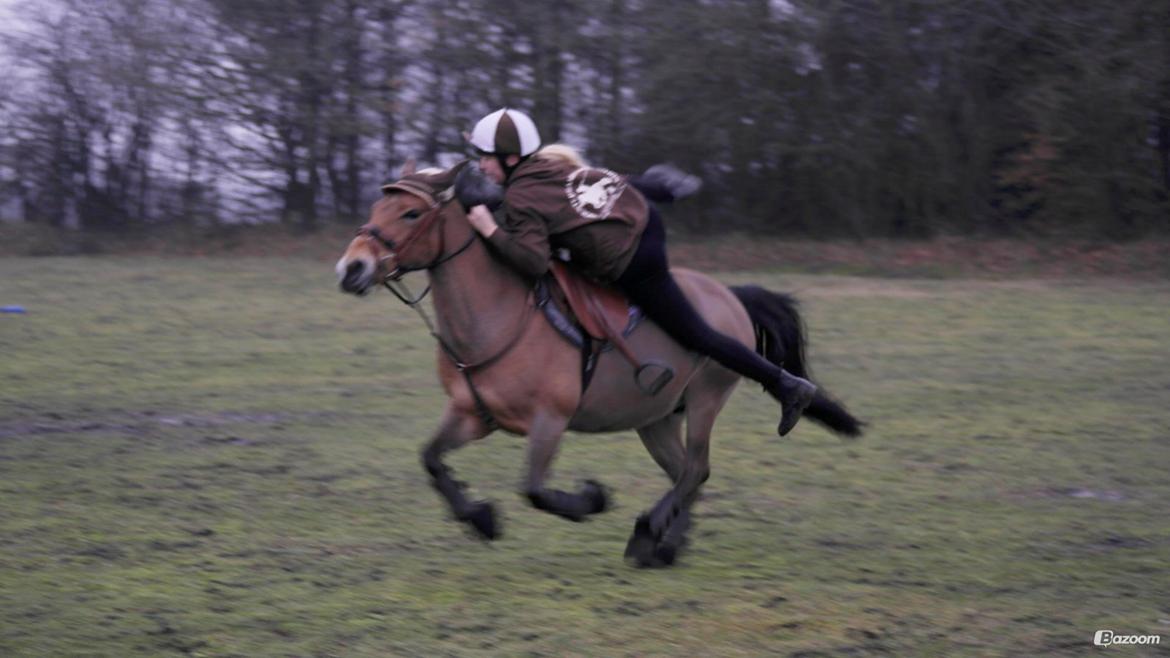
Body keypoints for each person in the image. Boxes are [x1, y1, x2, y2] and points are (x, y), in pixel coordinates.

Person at [462, 107, 816, 436]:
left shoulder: (523, 195)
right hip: (641, 221)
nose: (481, 166)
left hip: (636, 258)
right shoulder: (544, 166)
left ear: (510, 159)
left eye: (486, 157)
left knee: (696, 334)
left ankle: (786, 385)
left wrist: (489, 230)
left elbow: (533, 262)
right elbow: (601, 182)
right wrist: (655, 186)